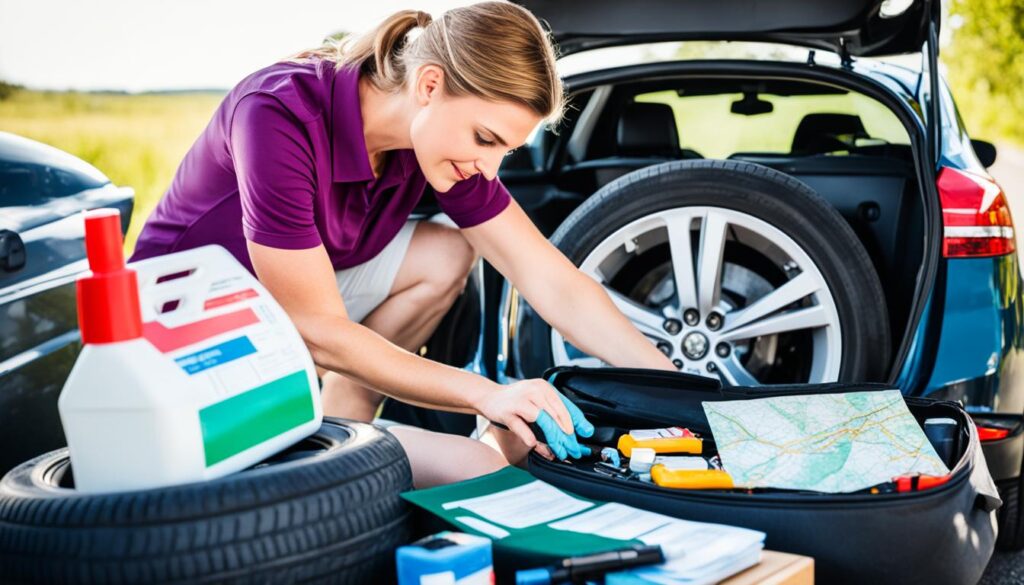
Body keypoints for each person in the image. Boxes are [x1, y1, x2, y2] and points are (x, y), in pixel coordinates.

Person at [130, 2, 676, 488]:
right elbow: (316, 328)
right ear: (430, 85)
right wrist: (484, 393)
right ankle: (322, 455)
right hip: (185, 334)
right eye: (485, 138)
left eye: (504, 150)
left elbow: (551, 280)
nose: (487, 166)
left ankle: (345, 418)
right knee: (482, 469)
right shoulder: (278, 112)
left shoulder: (433, 145)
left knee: (444, 253)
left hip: (282, 308)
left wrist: (683, 391)